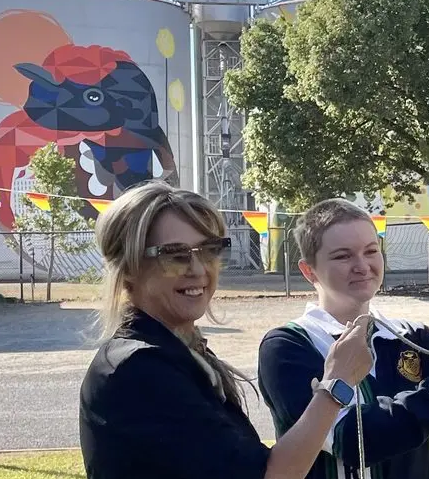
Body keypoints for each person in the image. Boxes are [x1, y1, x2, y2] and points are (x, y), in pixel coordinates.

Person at [79, 181, 375, 479]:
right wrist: (337, 384)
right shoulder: (139, 368)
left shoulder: (177, 352)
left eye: (209, 250)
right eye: (174, 254)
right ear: (130, 267)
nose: (197, 269)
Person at [258, 198, 429, 479]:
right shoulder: (288, 346)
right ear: (309, 271)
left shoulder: (408, 335)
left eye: (370, 251)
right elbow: (351, 442)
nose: (362, 265)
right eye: (343, 256)